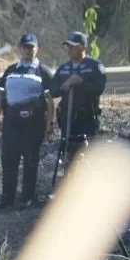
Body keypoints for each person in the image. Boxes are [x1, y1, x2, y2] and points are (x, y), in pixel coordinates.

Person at [0, 33, 55, 209]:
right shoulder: (10, 71)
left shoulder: (43, 71)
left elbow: (50, 101)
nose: (28, 51)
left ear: (37, 49)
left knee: (30, 160)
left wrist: (50, 123)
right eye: (25, 47)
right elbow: (0, 96)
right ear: (20, 49)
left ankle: (27, 197)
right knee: (9, 160)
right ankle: (7, 199)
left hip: (33, 122)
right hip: (12, 120)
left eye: (31, 48)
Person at [50, 31, 107, 168]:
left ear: (83, 47)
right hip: (67, 118)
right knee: (69, 154)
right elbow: (53, 91)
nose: (69, 50)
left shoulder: (94, 66)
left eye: (73, 46)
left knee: (89, 154)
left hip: (87, 118)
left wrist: (80, 82)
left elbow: (99, 88)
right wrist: (66, 85)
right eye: (68, 46)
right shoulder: (64, 69)